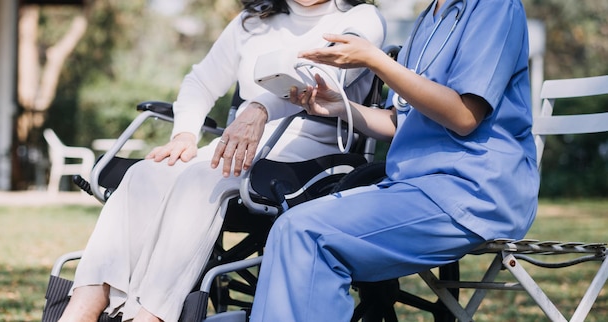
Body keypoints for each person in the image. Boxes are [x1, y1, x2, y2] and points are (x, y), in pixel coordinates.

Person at [58, 1, 385, 321]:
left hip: (312, 152)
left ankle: (152, 314)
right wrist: (184, 134)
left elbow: (320, 78)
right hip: (234, 144)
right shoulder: (253, 22)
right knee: (146, 173)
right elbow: (200, 81)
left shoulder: (361, 18)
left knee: (202, 180)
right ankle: (86, 303)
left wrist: (260, 108)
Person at [248, 0, 540, 321]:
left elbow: (464, 116)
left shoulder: (493, 7)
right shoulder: (428, 19)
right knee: (291, 227)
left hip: (475, 192)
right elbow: (399, 120)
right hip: (414, 188)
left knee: (304, 233)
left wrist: (375, 61)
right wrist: (337, 106)